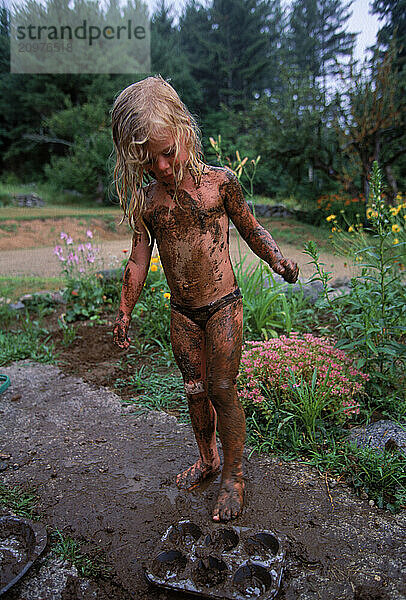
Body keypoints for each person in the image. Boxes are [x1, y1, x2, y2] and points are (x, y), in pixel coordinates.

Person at [111, 75, 299, 522]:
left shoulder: (220, 184)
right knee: (194, 391)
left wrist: (277, 259)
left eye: (167, 152)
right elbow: (138, 261)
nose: (160, 166)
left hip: (222, 307)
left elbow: (253, 229)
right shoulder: (148, 202)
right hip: (183, 313)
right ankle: (209, 458)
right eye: (146, 160)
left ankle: (233, 476)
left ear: (184, 130)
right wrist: (124, 310)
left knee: (221, 388)